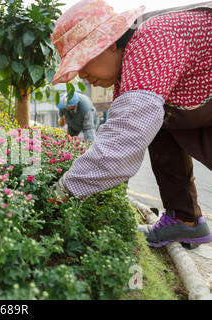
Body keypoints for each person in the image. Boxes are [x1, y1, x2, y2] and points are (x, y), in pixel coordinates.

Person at [50, 0, 212, 247]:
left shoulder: (151, 41)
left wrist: (64, 189)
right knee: (156, 121)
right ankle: (184, 220)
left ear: (110, 42)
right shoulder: (131, 68)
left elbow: (123, 141)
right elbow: (126, 130)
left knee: (146, 118)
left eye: (82, 63)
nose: (82, 75)